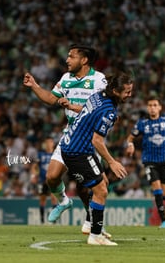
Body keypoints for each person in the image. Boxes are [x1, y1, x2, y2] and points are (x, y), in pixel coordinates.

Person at [23, 43, 111, 237]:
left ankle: (95, 223)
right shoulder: (66, 79)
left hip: (89, 138)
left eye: (71, 56)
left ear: (84, 60)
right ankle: (63, 201)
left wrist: (72, 106)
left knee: (87, 187)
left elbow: (101, 110)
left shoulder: (99, 80)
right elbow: (50, 99)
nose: (67, 60)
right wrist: (35, 86)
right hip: (70, 134)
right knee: (52, 176)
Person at [60, 72, 133, 245]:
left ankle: (89, 224)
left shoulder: (98, 95)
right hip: (77, 151)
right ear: (115, 91)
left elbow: (86, 111)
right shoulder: (109, 111)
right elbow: (97, 140)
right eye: (127, 92)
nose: (130, 95)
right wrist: (112, 162)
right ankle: (95, 235)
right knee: (101, 190)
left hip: (75, 146)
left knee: (104, 182)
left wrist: (71, 106)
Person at [125, 96, 165, 228]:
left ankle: (159, 201)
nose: (152, 108)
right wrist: (130, 145)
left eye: (155, 105)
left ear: (159, 107)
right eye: (150, 105)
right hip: (149, 161)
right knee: (156, 187)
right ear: (147, 108)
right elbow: (130, 138)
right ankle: (164, 220)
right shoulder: (142, 123)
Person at [30, 137, 58, 224]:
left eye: (50, 142)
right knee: (42, 199)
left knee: (54, 198)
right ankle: (42, 220)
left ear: (53, 144)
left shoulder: (56, 155)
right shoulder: (40, 155)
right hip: (42, 181)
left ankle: (54, 221)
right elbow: (34, 166)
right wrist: (33, 176)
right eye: (46, 142)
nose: (48, 144)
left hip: (52, 180)